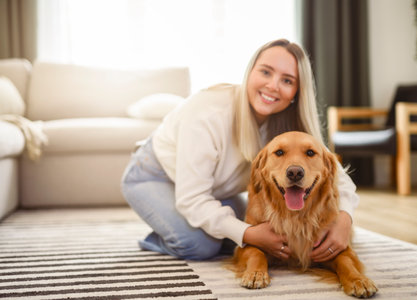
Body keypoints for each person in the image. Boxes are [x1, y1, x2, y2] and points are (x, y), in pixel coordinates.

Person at [121, 39, 359, 261]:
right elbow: (192, 198)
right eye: (266, 72)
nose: (273, 86)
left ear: (297, 91)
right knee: (201, 245)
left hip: (215, 190)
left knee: (251, 233)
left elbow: (337, 176)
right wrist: (249, 235)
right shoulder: (208, 112)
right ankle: (166, 236)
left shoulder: (291, 126)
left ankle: (199, 230)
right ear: (250, 72)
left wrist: (344, 218)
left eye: (287, 80)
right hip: (152, 175)